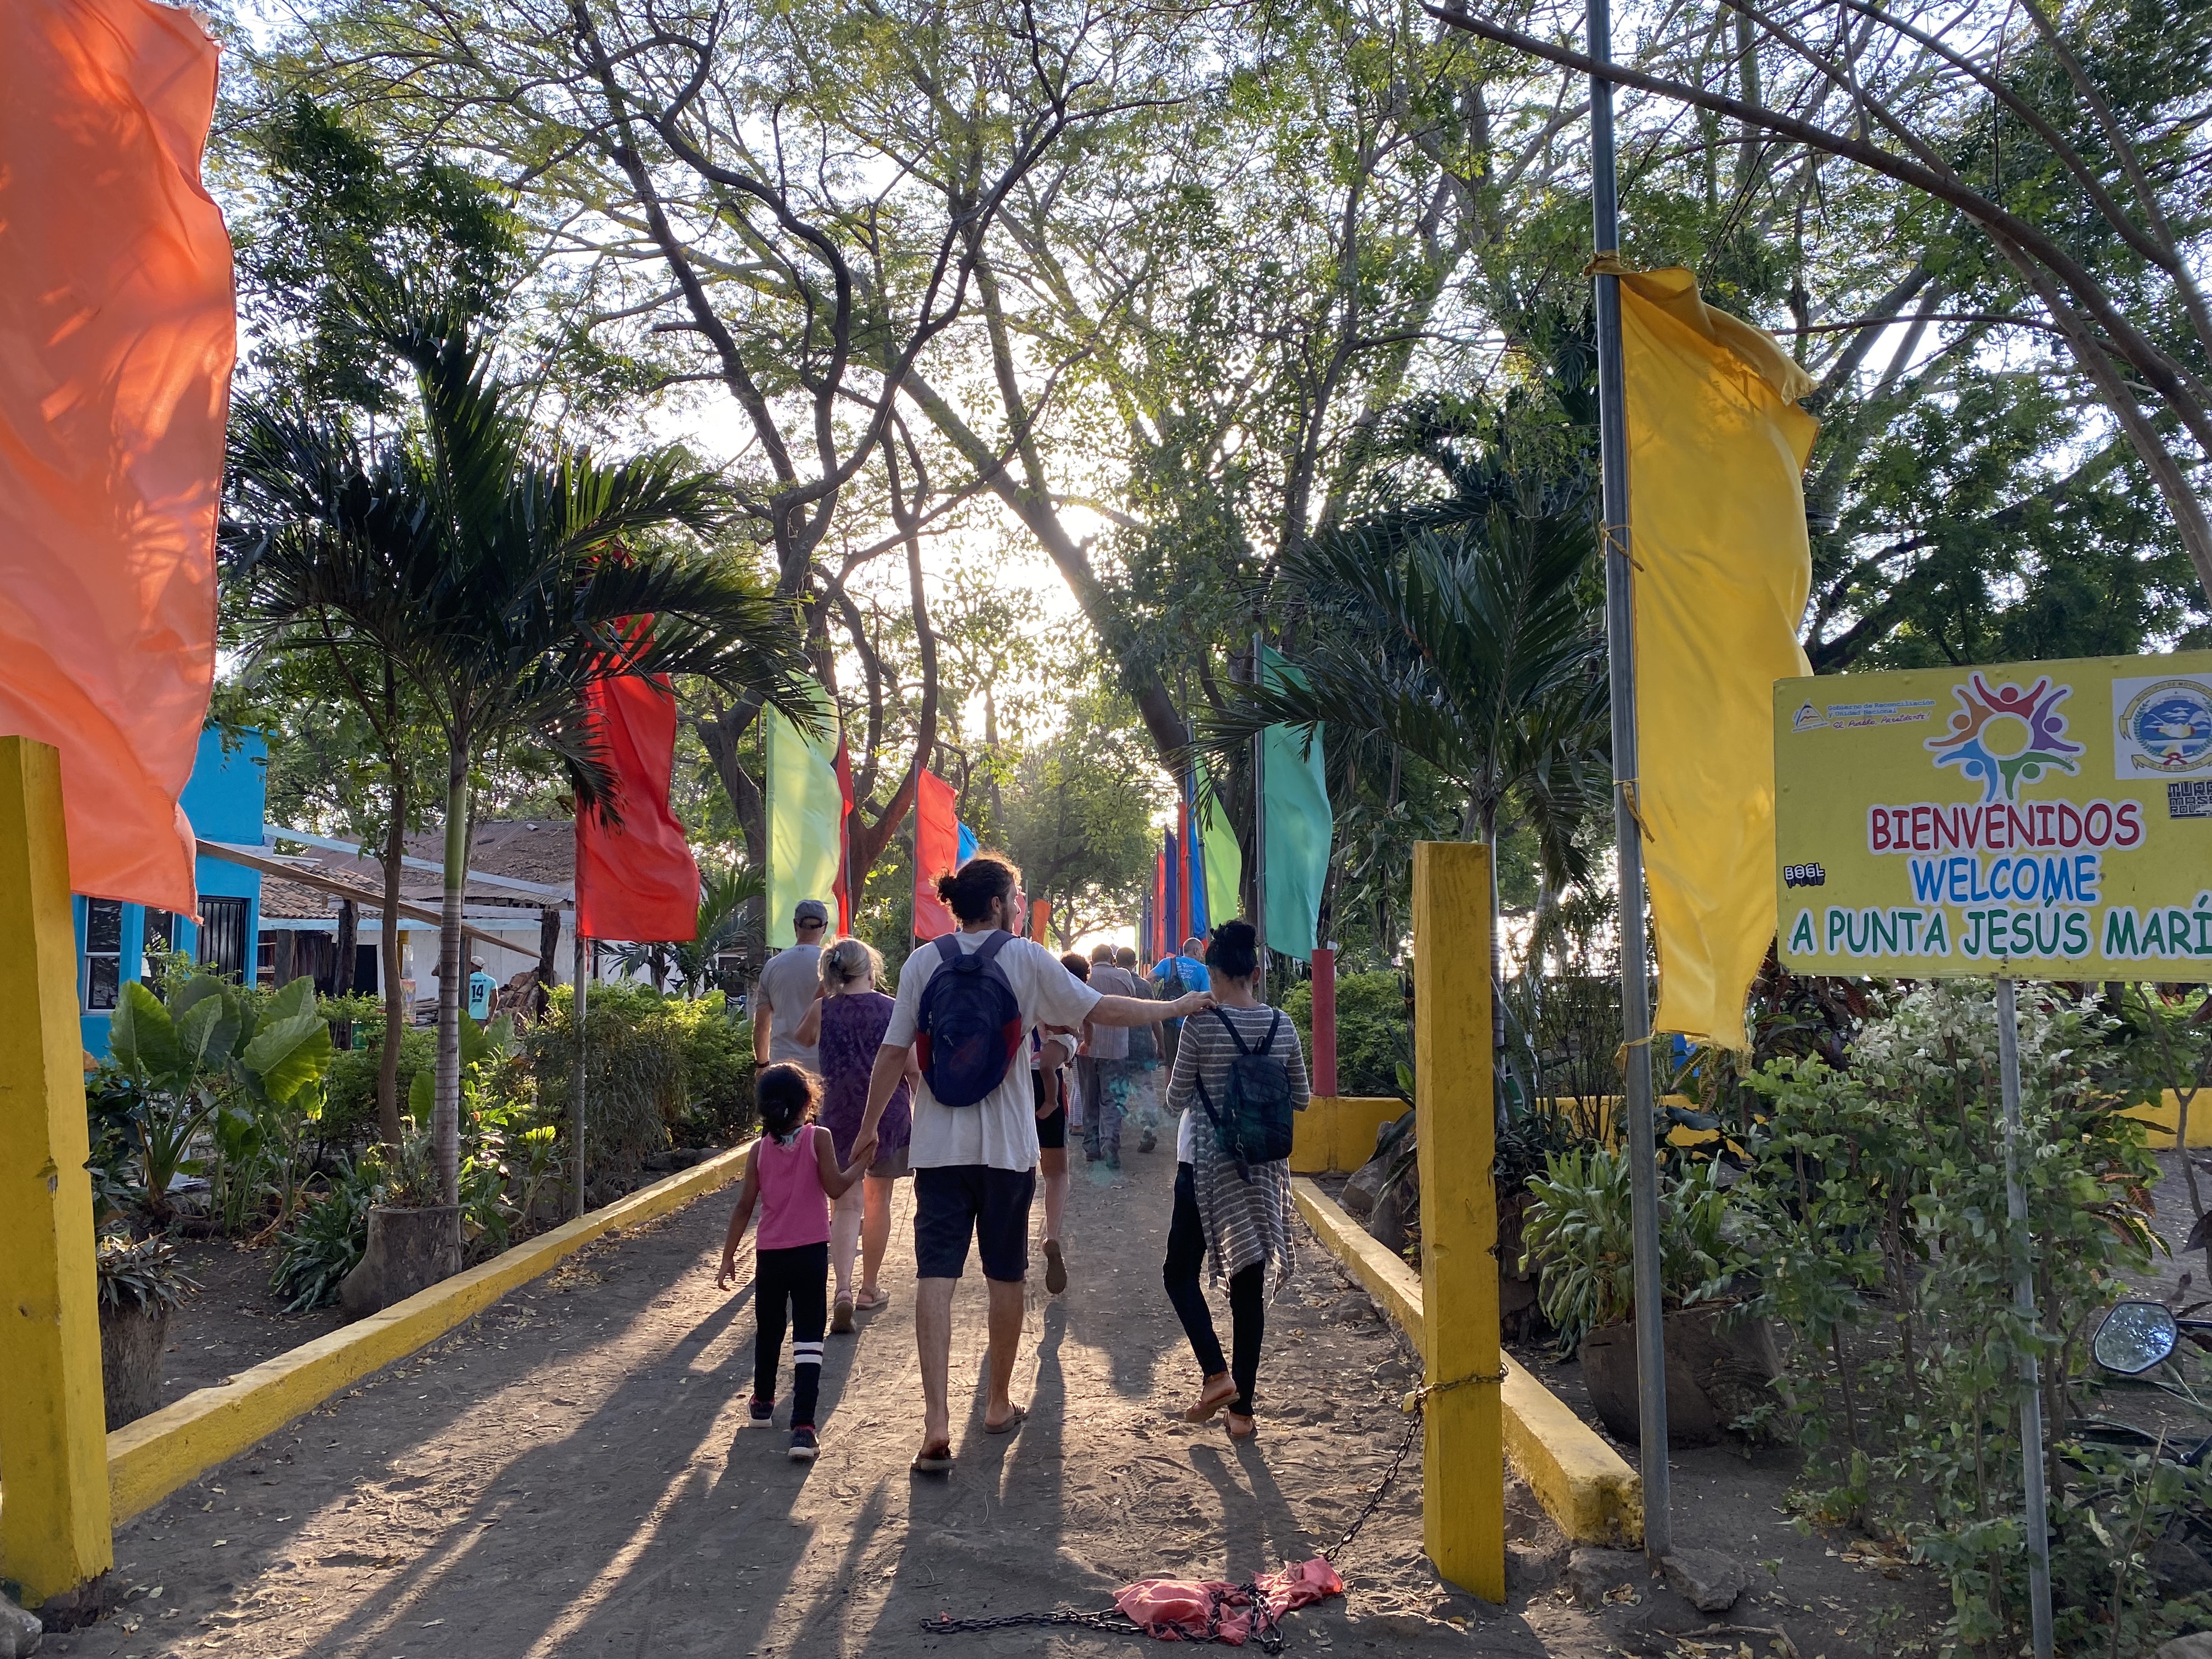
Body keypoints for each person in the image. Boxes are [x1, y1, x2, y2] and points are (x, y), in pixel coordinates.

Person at [850, 854, 1210, 1472]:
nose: (1020, 906)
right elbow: (1100, 1010)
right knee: (1005, 1275)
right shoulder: (1024, 958)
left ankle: (936, 1424)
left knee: (936, 1275)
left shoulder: (921, 963)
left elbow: (891, 1054)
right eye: (1017, 897)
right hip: (1007, 1150)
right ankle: (996, 1404)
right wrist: (1175, 1009)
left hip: (938, 1149)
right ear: (997, 904)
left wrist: (866, 1131)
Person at [1163, 919, 1307, 1441]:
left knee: (1178, 1273)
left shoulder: (1201, 1025)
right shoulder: (1283, 1025)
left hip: (1205, 1167)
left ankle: (1216, 1374)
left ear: (1216, 974)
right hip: (1262, 1170)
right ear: (1255, 973)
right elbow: (1302, 1098)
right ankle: (1242, 1415)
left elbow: (1175, 1100)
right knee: (1249, 1286)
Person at [715, 1063, 867, 1463]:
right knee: (809, 1337)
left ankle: (762, 1404)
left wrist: (728, 1257)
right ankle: (803, 1427)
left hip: (770, 1254)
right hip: (811, 1252)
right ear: (807, 1102)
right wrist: (861, 1164)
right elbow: (835, 1187)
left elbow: (744, 1207)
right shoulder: (819, 1138)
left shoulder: (758, 1150)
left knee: (769, 1330)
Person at [795, 937, 916, 1331]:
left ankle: (843, 1288)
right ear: (871, 970)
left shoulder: (822, 1009)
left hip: (839, 1116)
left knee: (846, 1205)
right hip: (887, 1115)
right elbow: (913, 1068)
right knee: (879, 1201)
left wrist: (825, 993)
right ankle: (869, 1289)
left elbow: (802, 1038)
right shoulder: (893, 1009)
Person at [1030, 1022, 1078, 1295]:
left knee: (1018, 1170)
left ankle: (1015, 1252)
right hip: (1048, 1080)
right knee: (1056, 1173)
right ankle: (1052, 1236)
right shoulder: (1056, 1000)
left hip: (1014, 1082)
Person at [754, 899, 830, 1072]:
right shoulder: (833, 966)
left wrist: (762, 1065)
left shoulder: (772, 966)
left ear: (796, 925)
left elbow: (762, 1025)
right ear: (824, 928)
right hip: (823, 1065)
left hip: (782, 1063)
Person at [1085, 943, 1142, 1166]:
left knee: (1090, 1098)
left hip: (1087, 1047)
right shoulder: (1124, 976)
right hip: (1117, 1048)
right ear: (1113, 960)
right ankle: (1110, 1144)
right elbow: (1133, 1000)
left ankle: (1091, 1146)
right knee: (1112, 1099)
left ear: (1092, 960)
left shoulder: (1085, 978)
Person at [1118, 945, 1164, 1153]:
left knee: (1115, 1089)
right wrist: (1161, 1045)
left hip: (1117, 1047)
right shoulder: (1145, 986)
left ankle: (1112, 1134)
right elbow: (1156, 1018)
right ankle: (1149, 1129)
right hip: (1142, 1045)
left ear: (1116, 963)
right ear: (1135, 963)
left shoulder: (1115, 983)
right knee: (1145, 1088)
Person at [1152, 936, 1211, 1072]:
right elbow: (1206, 998)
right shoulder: (1202, 970)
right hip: (1191, 1024)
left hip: (1169, 1022)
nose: (1202, 955)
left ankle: (1170, 1087)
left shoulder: (1168, 962)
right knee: (1191, 1067)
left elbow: (1149, 978)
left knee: (1170, 1066)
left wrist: (1154, 1002)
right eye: (1202, 952)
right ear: (1196, 951)